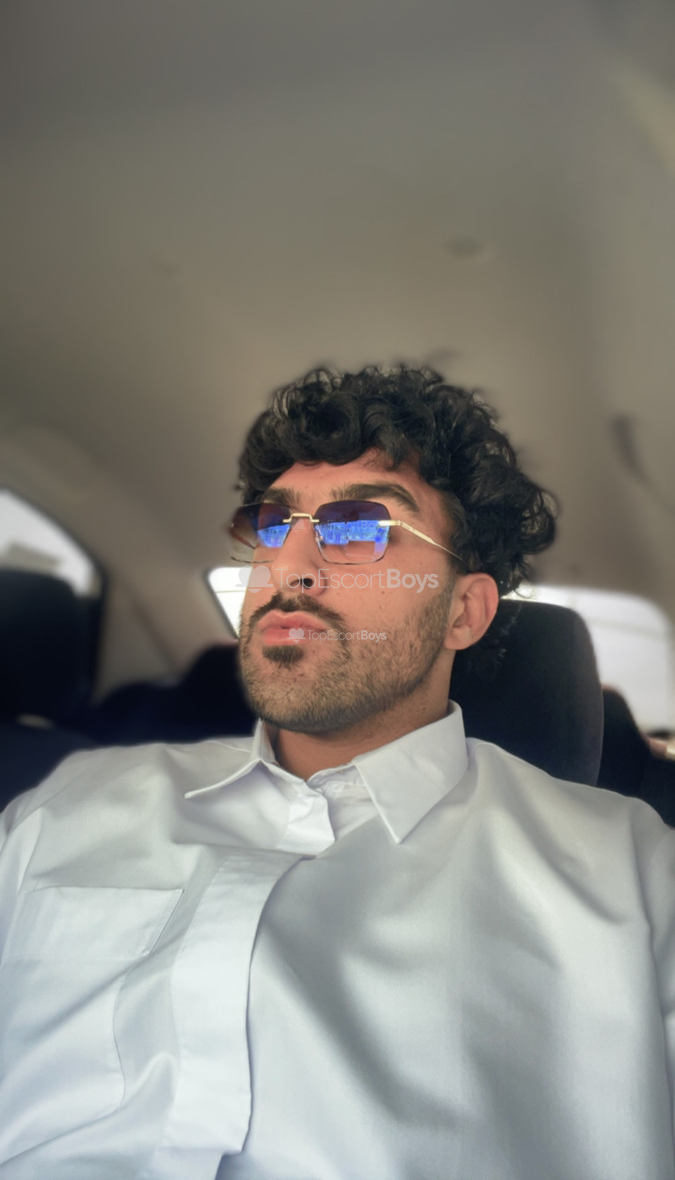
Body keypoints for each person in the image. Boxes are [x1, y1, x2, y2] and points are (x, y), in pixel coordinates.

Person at [0, 365, 674, 1180]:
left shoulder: (632, 874)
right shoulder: (71, 805)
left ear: (463, 612)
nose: (288, 565)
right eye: (271, 524)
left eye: (358, 528)